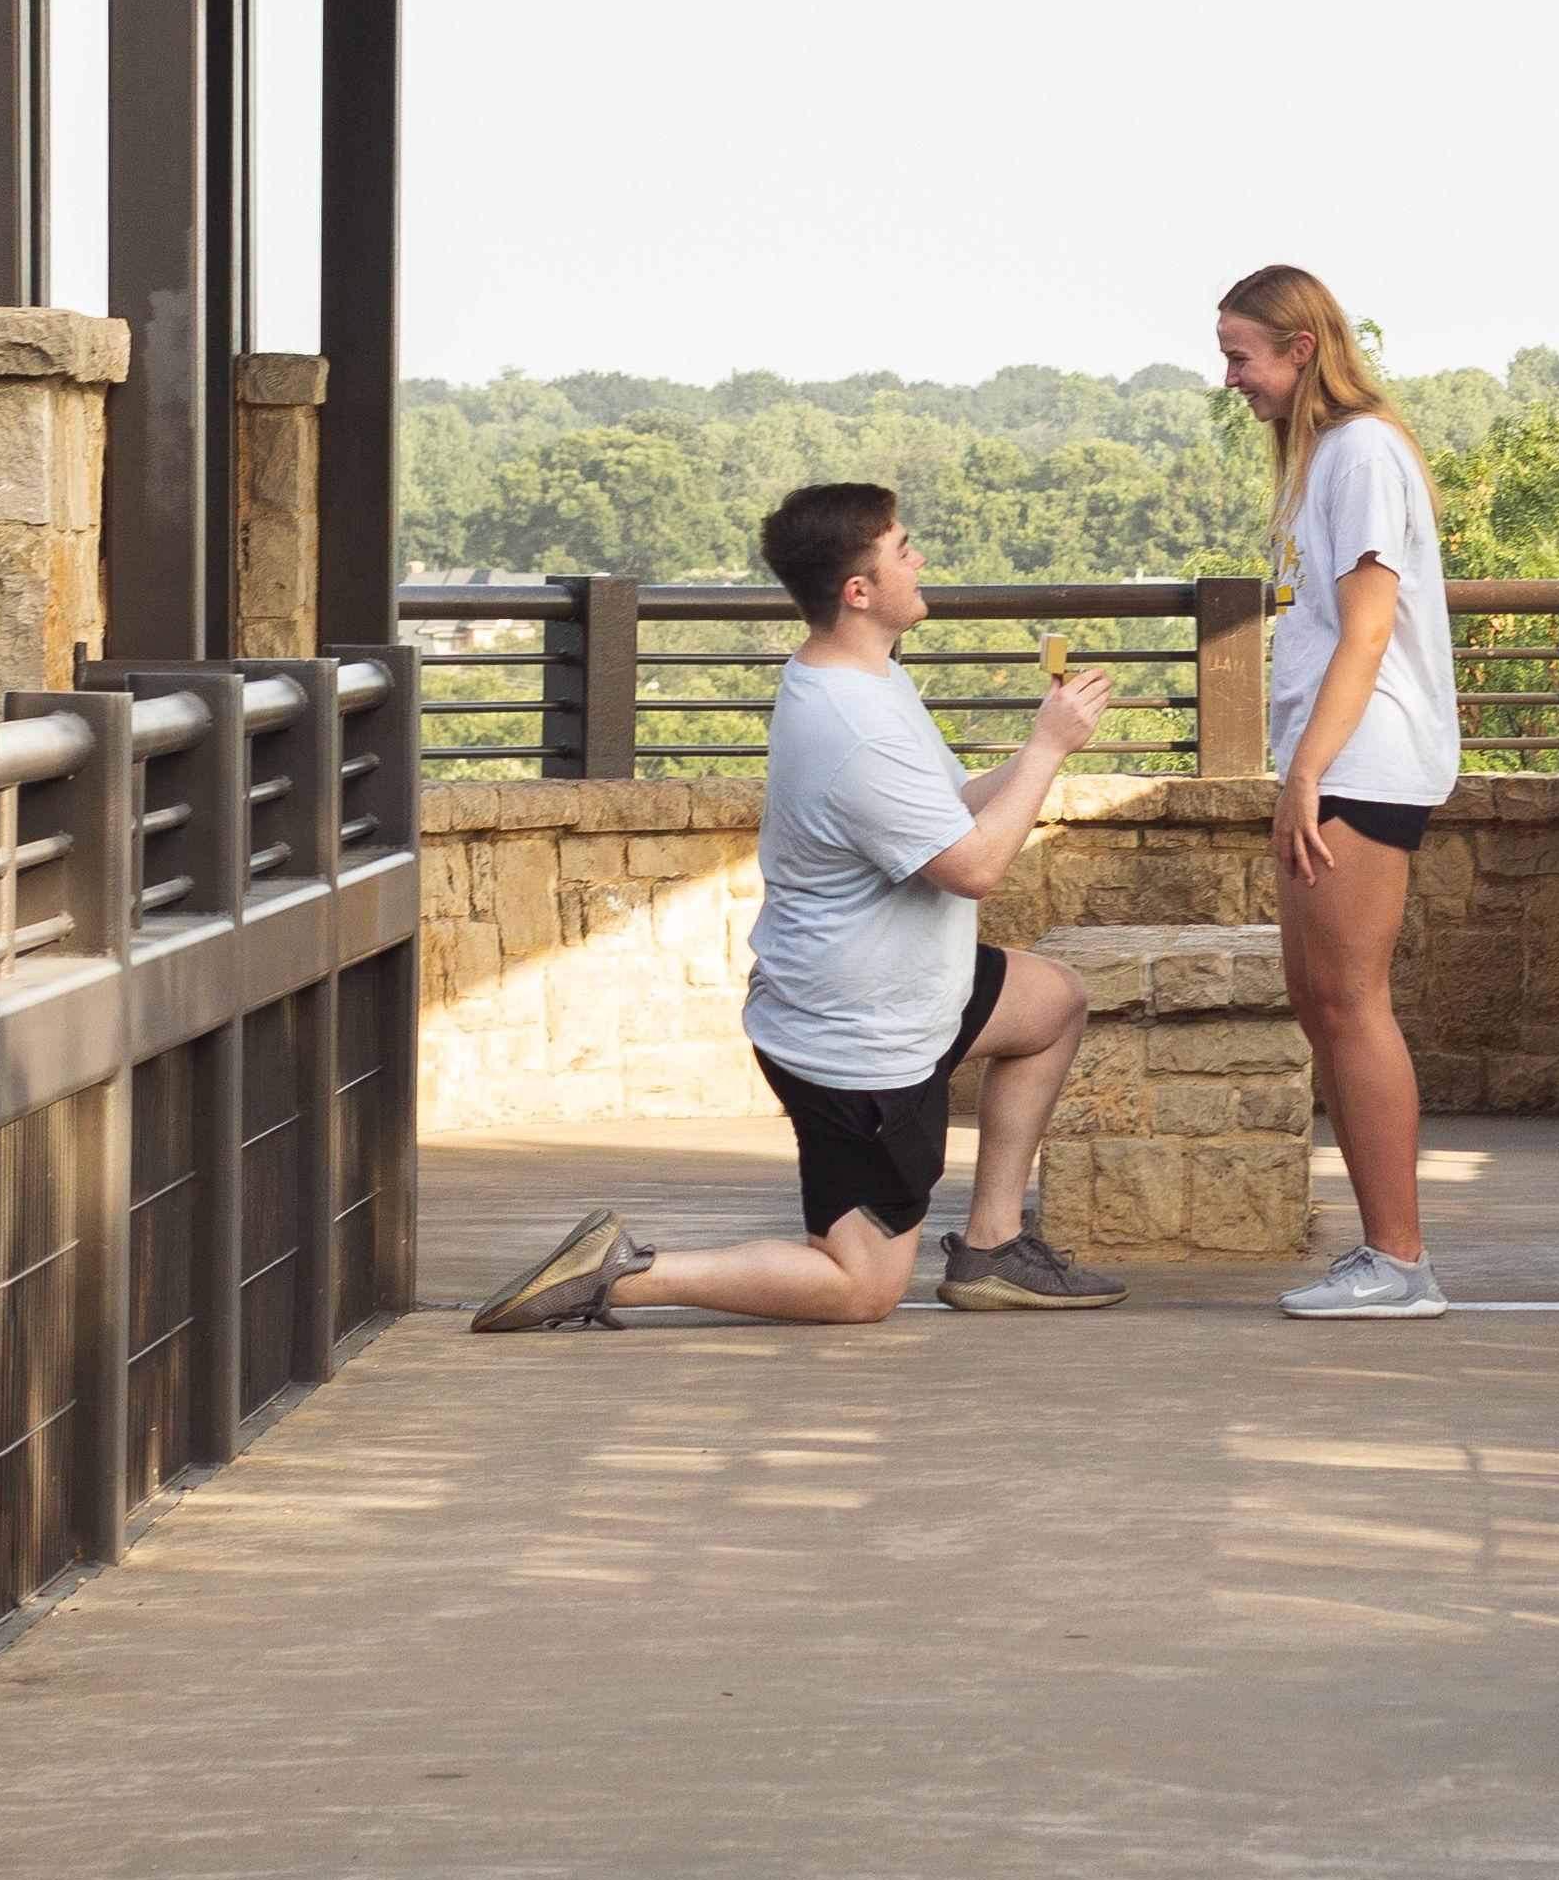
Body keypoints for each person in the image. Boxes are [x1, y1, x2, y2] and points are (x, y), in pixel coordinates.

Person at [473, 481, 1130, 1330]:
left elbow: (946, 805)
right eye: (901, 547)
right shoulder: (853, 721)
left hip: (902, 989)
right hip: (857, 1040)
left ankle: (994, 1247)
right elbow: (971, 867)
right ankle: (620, 1272)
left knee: (1053, 1002)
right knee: (860, 1287)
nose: (918, 556)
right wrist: (1048, 747)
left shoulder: (860, 675)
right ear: (859, 591)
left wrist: (1038, 750)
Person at [1215, 263, 1464, 1318]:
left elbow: (1368, 630)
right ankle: (1385, 1258)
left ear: (1301, 349)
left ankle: (1399, 1263)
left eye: (1241, 356)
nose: (1230, 378)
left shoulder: (1361, 452)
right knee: (1322, 1004)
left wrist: (1305, 773)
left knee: (1352, 1006)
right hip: (1335, 764)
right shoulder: (1327, 459)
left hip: (1359, 766)